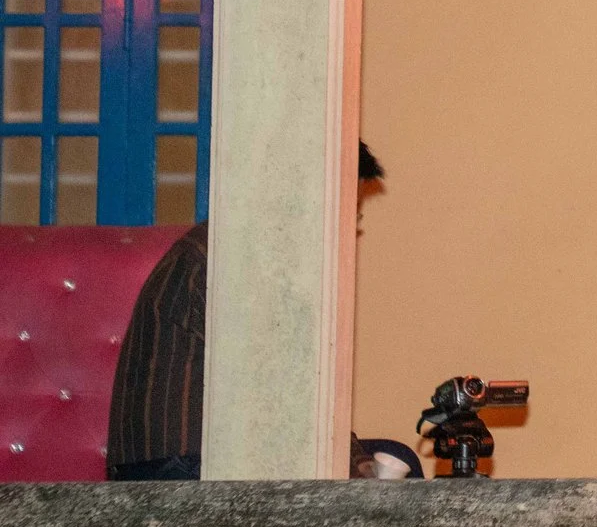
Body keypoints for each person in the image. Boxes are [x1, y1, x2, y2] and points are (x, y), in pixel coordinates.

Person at [107, 143, 389, 481]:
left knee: (392, 462)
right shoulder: (244, 256)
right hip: (180, 470)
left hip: (189, 458)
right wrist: (361, 472)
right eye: (348, 213)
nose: (346, 231)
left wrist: (358, 464)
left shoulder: (234, 241)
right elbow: (287, 398)